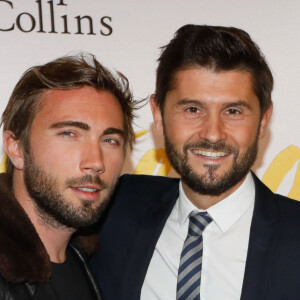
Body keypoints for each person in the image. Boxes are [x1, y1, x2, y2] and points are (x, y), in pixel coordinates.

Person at [90, 25, 300, 300]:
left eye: (233, 111)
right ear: (158, 114)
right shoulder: (112, 209)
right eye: (192, 109)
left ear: (263, 120)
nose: (213, 133)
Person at [0, 53, 137, 299]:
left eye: (109, 140)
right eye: (69, 134)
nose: (95, 161)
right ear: (16, 148)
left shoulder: (92, 263)